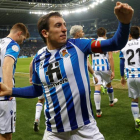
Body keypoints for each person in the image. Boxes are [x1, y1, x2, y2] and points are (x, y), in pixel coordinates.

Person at [0, 2, 134, 140]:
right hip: (54, 132)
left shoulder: (79, 45)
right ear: (45, 33)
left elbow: (114, 43)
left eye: (64, 24)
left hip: (85, 129)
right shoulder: (38, 60)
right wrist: (10, 91)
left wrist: (124, 23)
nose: (64, 29)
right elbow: (37, 90)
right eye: (58, 25)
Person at [0, 23, 29, 140]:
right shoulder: (13, 45)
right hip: (3, 94)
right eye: (23, 38)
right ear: (19, 33)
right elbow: (7, 66)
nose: (23, 41)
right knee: (6, 135)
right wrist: (9, 89)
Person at [91, 27, 118, 118]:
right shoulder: (107, 42)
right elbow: (110, 57)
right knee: (109, 84)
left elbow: (91, 56)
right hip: (105, 68)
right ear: (105, 33)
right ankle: (111, 101)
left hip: (95, 68)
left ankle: (98, 111)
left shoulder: (92, 43)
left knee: (97, 87)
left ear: (97, 34)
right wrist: (113, 71)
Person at [120, 26, 140, 131]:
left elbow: (122, 61)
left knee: (134, 99)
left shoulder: (125, 45)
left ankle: (137, 120)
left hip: (131, 76)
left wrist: (122, 77)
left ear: (130, 35)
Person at [29, 60, 45, 132]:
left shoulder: (40, 53)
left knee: (40, 100)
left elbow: (31, 63)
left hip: (39, 80)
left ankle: (37, 119)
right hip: (51, 79)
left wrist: (30, 77)